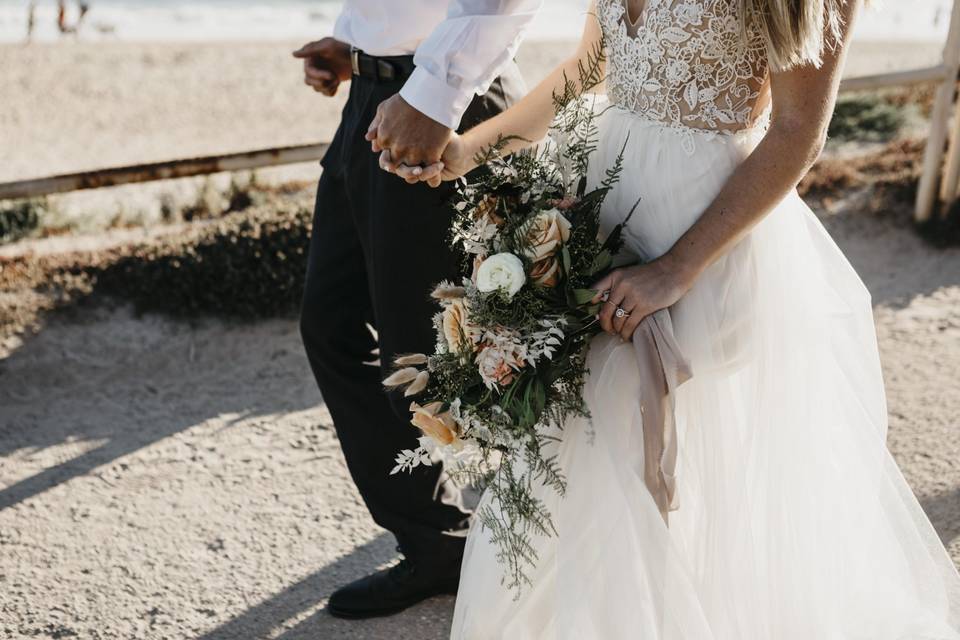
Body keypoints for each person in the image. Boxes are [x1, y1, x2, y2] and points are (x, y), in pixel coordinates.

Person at [378, 0, 960, 636]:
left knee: (645, 446)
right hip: (604, 203)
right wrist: (470, 150)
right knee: (579, 448)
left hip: (703, 230)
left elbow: (799, 132)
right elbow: (589, 67)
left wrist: (677, 268)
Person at [293, 0, 540, 621]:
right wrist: (354, 45)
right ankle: (437, 540)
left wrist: (432, 93)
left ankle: (546, 535)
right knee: (332, 325)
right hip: (373, 98)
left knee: (441, 351)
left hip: (441, 103)